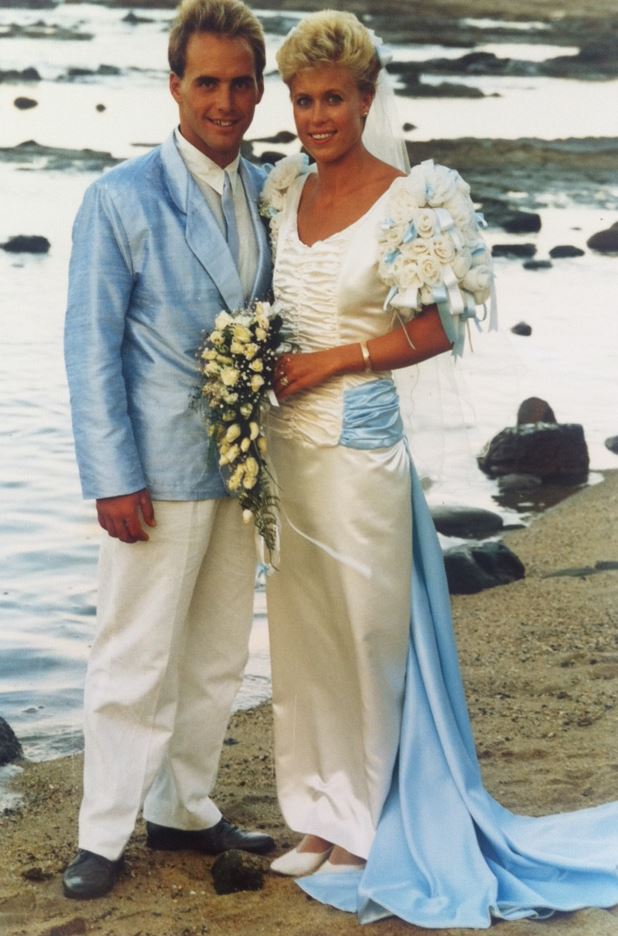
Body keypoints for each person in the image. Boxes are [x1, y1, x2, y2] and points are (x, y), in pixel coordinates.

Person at [260, 10, 618, 928]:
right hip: (289, 457)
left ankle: (375, 820)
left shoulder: (411, 198)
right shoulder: (283, 188)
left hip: (361, 455)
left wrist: (335, 361)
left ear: (367, 98)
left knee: (372, 638)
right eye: (302, 100)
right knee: (306, 639)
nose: (314, 118)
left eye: (331, 99)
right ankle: (319, 810)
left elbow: (438, 328)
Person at [62, 0, 275, 900]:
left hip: (244, 468)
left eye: (240, 83)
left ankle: (183, 807)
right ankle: (102, 833)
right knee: (133, 656)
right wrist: (113, 476)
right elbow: (89, 346)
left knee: (218, 652)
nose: (223, 101)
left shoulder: (275, 191)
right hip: (154, 473)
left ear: (260, 88)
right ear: (174, 85)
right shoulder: (121, 198)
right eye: (207, 83)